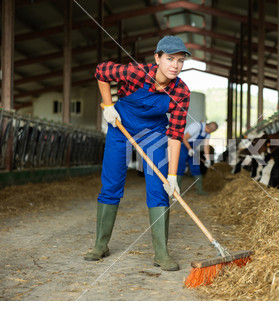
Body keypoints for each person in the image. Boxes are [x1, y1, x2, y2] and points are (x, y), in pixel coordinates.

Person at [84, 36, 191, 272]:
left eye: (180, 61)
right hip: (120, 126)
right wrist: (108, 105)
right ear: (158, 58)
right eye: (170, 59)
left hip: (153, 133)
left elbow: (175, 135)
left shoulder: (181, 92)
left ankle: (161, 253)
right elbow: (101, 71)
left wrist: (172, 175)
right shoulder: (137, 72)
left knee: (159, 188)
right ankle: (100, 245)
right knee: (111, 183)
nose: (175, 65)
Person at [177, 121, 218, 195]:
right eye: (211, 131)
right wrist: (189, 149)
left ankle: (200, 190)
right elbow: (184, 138)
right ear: (209, 128)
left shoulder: (207, 133)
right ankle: (177, 191)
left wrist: (208, 159)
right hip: (183, 145)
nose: (210, 132)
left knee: (196, 167)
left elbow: (206, 146)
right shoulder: (196, 126)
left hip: (193, 148)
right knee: (180, 167)